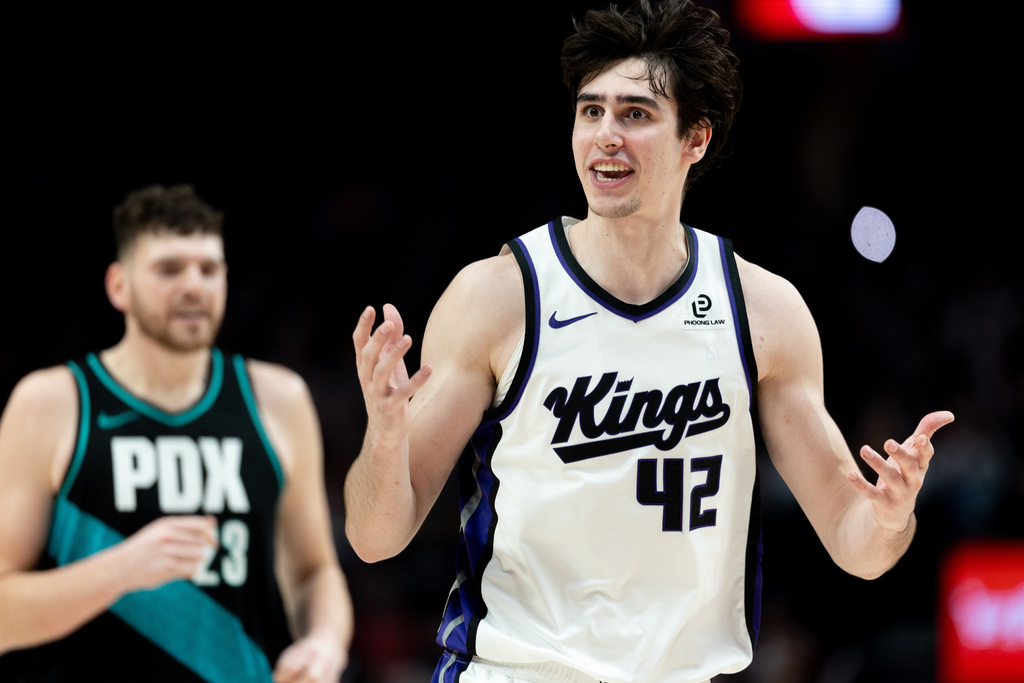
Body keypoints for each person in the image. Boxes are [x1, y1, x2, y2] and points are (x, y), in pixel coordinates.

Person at [344, 1, 954, 682]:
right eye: (591, 111)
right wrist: (384, 438)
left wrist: (889, 516)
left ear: (696, 139)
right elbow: (374, 538)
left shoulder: (764, 312)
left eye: (635, 114)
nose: (606, 135)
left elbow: (856, 544)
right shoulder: (497, 297)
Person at [0, 184, 353, 682]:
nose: (194, 286)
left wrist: (324, 643)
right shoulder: (52, 402)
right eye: (169, 269)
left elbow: (314, 572)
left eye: (209, 269)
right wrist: (121, 569)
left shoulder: (279, 398)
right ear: (118, 286)